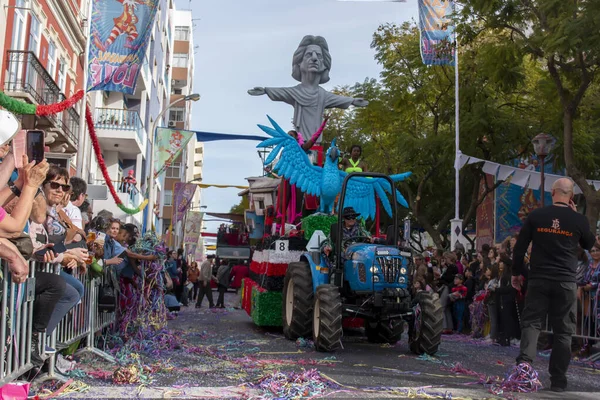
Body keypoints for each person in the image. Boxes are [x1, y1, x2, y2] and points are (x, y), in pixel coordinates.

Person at [511, 178, 597, 393]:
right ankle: (558, 380)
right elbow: (588, 244)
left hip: (539, 278)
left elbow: (519, 249)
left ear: (552, 193)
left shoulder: (536, 216)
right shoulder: (578, 219)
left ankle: (524, 369)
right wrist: (577, 216)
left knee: (532, 323)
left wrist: (519, 273)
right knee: (563, 332)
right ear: (571, 196)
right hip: (566, 282)